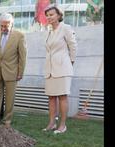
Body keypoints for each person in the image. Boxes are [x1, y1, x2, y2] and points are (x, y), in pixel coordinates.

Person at [0, 13, 27, 128]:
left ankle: (7, 121)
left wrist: (21, 72)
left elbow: (22, 56)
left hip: (12, 71)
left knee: (10, 97)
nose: (4, 28)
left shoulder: (20, 36)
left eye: (6, 26)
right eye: (2, 26)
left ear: (12, 24)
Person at [43, 5, 77, 134]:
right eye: (47, 15)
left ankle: (62, 125)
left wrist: (70, 61)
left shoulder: (66, 28)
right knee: (51, 97)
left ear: (59, 15)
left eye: (51, 14)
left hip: (63, 68)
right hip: (50, 69)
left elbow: (73, 46)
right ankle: (52, 123)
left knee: (62, 96)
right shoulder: (48, 31)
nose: (49, 17)